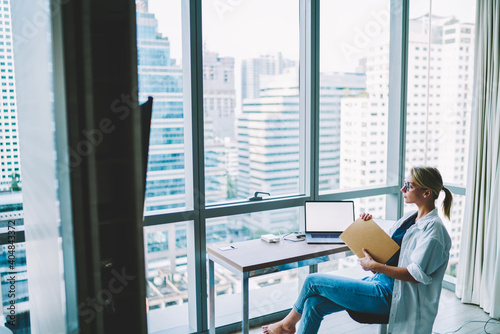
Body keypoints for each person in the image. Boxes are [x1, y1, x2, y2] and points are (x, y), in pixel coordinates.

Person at [262, 166, 452, 334]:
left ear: (426, 193)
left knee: (312, 281)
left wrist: (375, 265)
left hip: (391, 297)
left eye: (409, 186)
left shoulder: (434, 232)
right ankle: (288, 327)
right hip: (380, 283)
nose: (403, 189)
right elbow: (390, 251)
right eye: (404, 183)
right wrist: (368, 228)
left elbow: (414, 274)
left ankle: (286, 326)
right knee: (314, 304)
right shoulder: (410, 218)